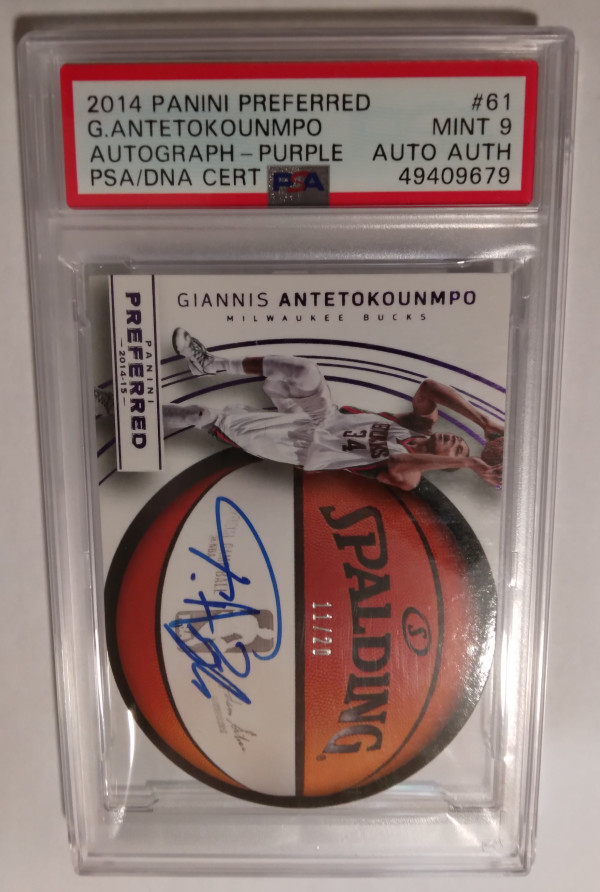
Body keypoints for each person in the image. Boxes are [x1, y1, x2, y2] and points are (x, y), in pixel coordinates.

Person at [162, 327, 503, 492]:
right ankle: (211, 364)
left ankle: (144, 420)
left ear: (447, 464)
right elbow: (429, 387)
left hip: (301, 445)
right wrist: (482, 421)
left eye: (458, 449)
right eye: (460, 441)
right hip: (323, 416)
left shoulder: (410, 477)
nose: (456, 441)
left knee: (201, 415)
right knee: (303, 370)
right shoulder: (418, 425)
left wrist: (468, 462)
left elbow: (397, 462)